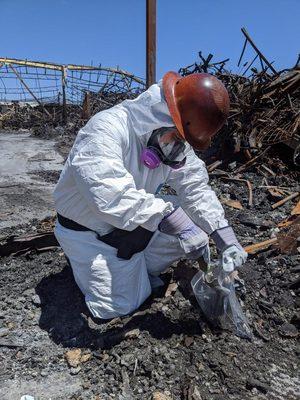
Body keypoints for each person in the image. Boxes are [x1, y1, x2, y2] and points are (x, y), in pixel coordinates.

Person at [53, 71, 247, 319]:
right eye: (175, 136)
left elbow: (195, 188)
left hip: (133, 226)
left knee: (191, 222)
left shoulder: (174, 144)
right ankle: (93, 267)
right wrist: (177, 223)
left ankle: (131, 268)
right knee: (118, 307)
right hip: (89, 232)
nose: (176, 145)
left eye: (183, 140)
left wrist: (224, 237)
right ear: (162, 114)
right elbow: (109, 194)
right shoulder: (107, 129)